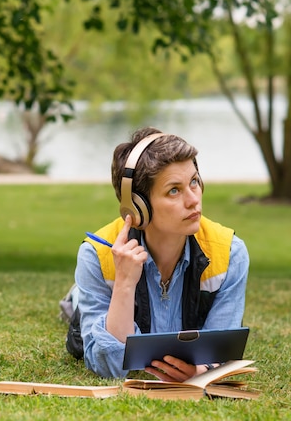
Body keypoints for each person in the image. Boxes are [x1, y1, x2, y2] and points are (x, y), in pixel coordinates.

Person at [65, 127, 249, 380]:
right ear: (138, 206)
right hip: (108, 298)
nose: (193, 200)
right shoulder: (96, 256)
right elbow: (110, 368)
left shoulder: (229, 252)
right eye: (174, 190)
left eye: (194, 182)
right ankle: (76, 297)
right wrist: (124, 284)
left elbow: (220, 352)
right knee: (79, 327)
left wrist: (201, 371)